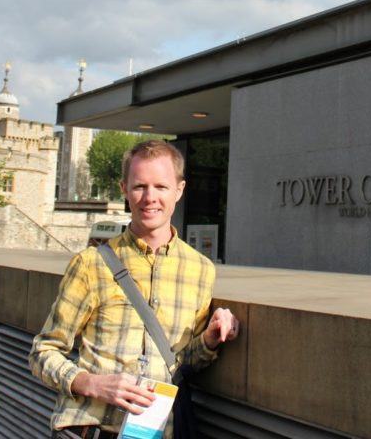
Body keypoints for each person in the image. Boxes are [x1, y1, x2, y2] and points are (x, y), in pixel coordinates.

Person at [30, 140, 240, 439]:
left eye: (161, 187)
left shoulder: (201, 269)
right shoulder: (91, 263)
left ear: (179, 190)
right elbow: (43, 352)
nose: (149, 198)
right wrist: (91, 383)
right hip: (90, 430)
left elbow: (181, 364)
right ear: (124, 189)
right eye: (140, 186)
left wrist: (210, 339)